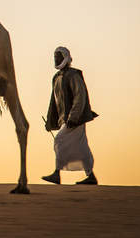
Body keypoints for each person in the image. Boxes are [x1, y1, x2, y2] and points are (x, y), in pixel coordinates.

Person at [42, 46, 99, 185]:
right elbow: (54, 102)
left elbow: (80, 96)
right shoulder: (57, 77)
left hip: (75, 119)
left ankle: (56, 174)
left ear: (66, 58)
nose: (56, 60)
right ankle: (91, 176)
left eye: (59, 57)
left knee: (59, 141)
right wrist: (51, 122)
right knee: (82, 147)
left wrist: (74, 117)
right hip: (66, 119)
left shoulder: (73, 75)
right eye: (55, 57)